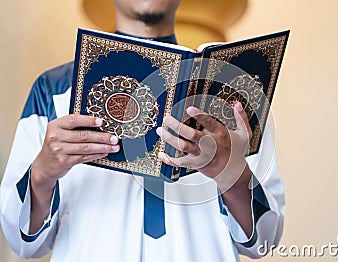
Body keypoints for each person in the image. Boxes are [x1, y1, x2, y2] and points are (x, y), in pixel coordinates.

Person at [0, 0, 285, 261]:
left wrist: (231, 173)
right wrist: (42, 174)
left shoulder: (233, 90)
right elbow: (24, 242)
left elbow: (264, 241)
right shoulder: (53, 92)